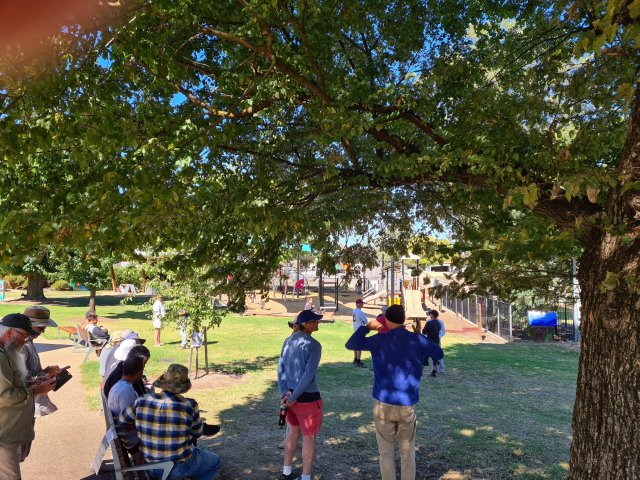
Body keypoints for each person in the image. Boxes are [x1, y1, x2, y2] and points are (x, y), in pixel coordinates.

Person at [345, 305, 443, 480]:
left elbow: (351, 344)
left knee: (385, 454)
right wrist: (420, 335)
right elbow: (438, 353)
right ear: (404, 319)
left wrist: (367, 327)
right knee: (408, 453)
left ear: (386, 320)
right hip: (407, 403)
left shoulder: (380, 339)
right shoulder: (416, 339)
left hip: (383, 402)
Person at [119, 364, 222, 480]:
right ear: (183, 387)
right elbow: (197, 433)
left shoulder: (142, 400)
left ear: (163, 382)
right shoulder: (189, 405)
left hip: (150, 465)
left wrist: (143, 423)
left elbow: (122, 419)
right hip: (178, 466)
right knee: (215, 461)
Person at [0, 313, 56, 480]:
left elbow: (12, 382)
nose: (26, 341)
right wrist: (37, 391)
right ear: (9, 332)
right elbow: (5, 396)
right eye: (24, 335)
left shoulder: (6, 350)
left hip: (10, 430)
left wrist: (31, 383)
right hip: (4, 435)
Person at [277, 309, 324, 480]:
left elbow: (280, 369)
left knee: (292, 432)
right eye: (314, 321)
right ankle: (305, 477)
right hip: (307, 399)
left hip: (290, 397)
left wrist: (285, 394)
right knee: (309, 439)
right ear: (305, 324)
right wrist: (294, 396)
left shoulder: (287, 341)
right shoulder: (314, 345)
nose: (317, 323)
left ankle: (286, 472)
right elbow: (308, 375)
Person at [22, 306, 61, 417]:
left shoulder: (29, 342)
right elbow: (21, 380)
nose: (43, 331)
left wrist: (47, 371)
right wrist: (44, 376)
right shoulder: (21, 346)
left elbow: (30, 371)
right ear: (30, 325)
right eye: (41, 327)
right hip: (23, 406)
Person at [108, 356, 145, 457]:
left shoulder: (117, 386)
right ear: (139, 372)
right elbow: (129, 424)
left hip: (125, 437)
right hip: (133, 441)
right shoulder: (126, 391)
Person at [422, 310, 442, 377]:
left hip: (429, 342)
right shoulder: (438, 323)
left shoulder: (429, 323)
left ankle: (420, 371)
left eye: (430, 314)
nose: (429, 315)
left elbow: (424, 331)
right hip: (436, 342)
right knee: (434, 357)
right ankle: (434, 371)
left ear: (432, 315)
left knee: (425, 356)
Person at [351, 298, 368, 367]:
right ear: (359, 304)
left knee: (356, 345)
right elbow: (366, 321)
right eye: (362, 303)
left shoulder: (354, 311)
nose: (362, 305)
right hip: (360, 329)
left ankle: (355, 359)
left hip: (355, 328)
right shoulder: (360, 312)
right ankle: (358, 361)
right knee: (359, 346)